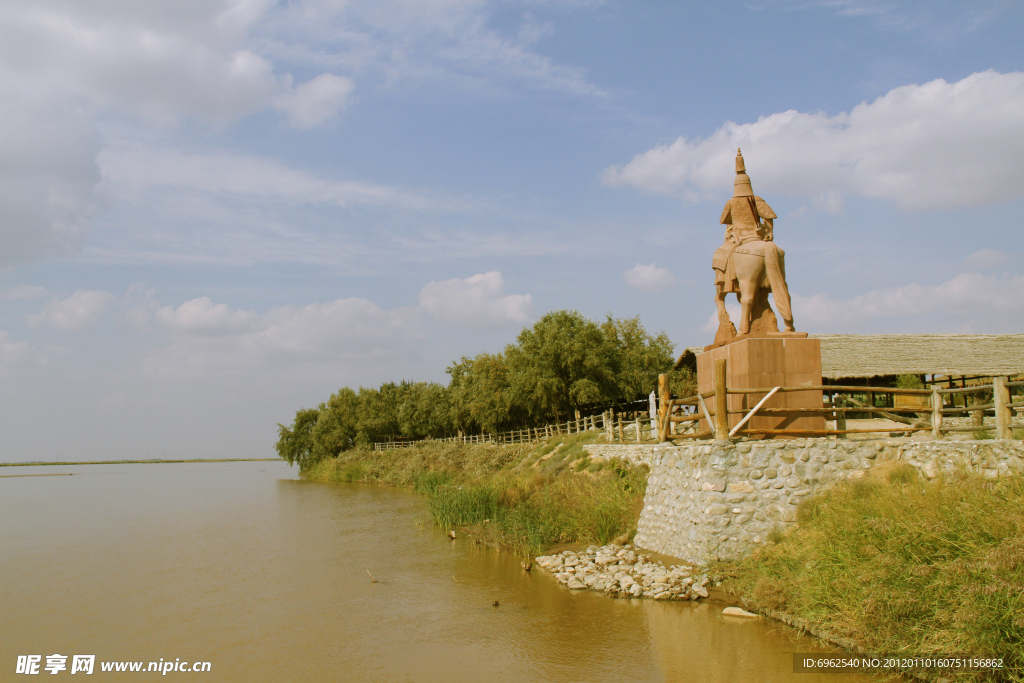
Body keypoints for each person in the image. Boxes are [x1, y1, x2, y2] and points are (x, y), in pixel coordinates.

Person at [712, 148, 795, 332]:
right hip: (760, 240)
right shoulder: (756, 200)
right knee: (782, 285)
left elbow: (725, 222)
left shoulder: (731, 203)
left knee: (719, 254)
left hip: (741, 241)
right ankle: (789, 324)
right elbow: (770, 217)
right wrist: (769, 233)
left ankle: (725, 287)